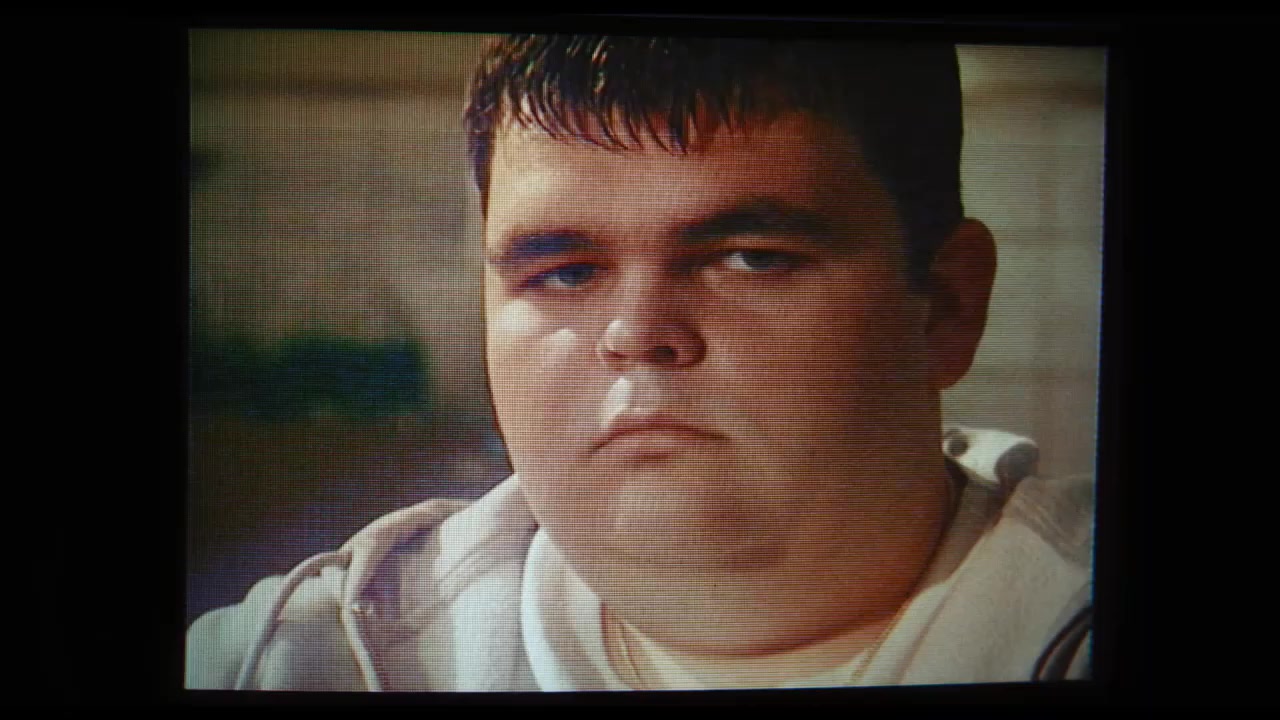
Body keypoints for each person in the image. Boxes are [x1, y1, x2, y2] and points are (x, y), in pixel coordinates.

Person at [185, 34, 1093, 692]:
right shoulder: (301, 660)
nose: (638, 331)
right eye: (565, 271)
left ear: (946, 305)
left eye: (751, 258)